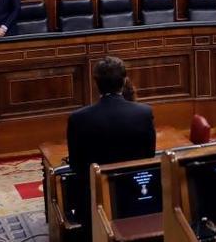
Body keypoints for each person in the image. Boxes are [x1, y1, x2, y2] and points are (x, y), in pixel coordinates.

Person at [66, 56, 156, 239]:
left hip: (94, 202)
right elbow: (149, 156)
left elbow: (76, 166)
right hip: (137, 196)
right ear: (124, 81)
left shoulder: (78, 118)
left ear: (96, 83)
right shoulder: (144, 112)